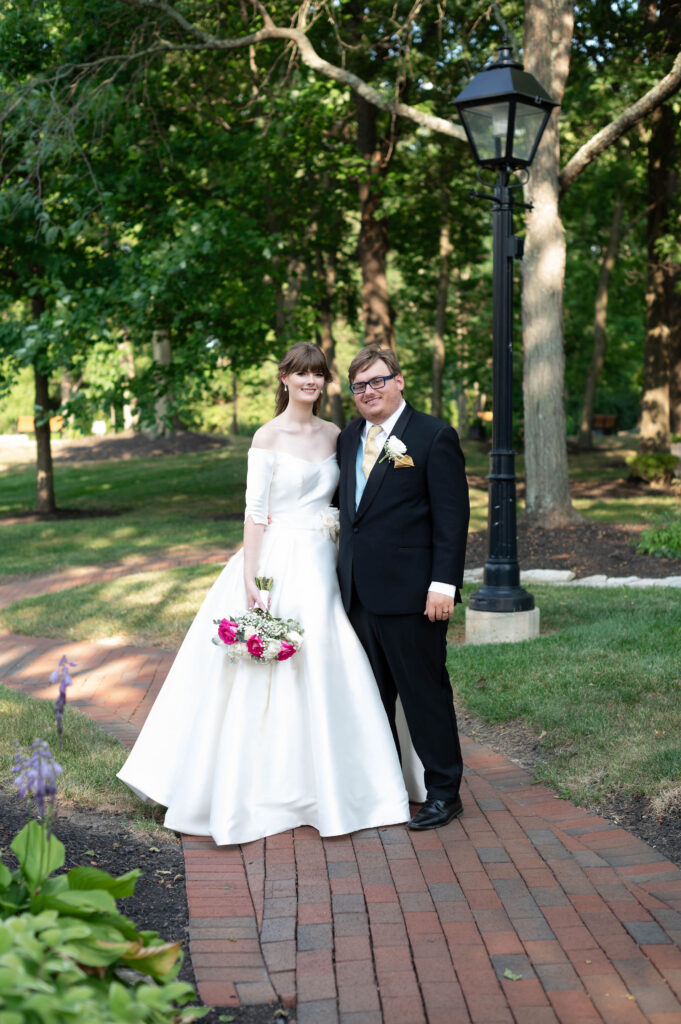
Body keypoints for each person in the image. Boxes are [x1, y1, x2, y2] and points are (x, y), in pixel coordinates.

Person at [117, 342, 411, 846]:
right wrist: (251, 578)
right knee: (271, 671)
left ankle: (345, 784)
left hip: (327, 563)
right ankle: (265, 789)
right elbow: (255, 513)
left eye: (318, 375)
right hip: (277, 562)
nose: (310, 383)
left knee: (331, 659)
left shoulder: (338, 434)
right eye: (301, 375)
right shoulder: (267, 436)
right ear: (284, 380)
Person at [336, 347, 470, 830]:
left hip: (415, 595)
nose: (369, 392)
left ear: (399, 380)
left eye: (377, 381)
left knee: (424, 694)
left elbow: (453, 520)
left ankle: (443, 792)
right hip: (356, 593)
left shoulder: (433, 436)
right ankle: (388, 787)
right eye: (359, 386)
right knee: (371, 699)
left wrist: (444, 585)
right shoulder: (349, 438)